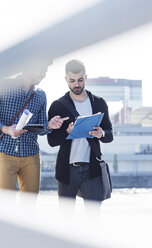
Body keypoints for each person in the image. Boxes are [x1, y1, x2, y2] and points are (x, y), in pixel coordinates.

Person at [0, 62, 68, 193]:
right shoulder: (2, 86)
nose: (44, 75)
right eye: (42, 69)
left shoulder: (41, 95)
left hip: (31, 155)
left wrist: (49, 125)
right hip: (5, 153)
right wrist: (6, 129)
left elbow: (42, 127)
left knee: (29, 206)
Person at [47, 59, 113, 206]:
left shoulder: (99, 103)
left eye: (80, 80)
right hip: (67, 170)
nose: (76, 84)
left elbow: (110, 135)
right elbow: (51, 141)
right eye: (72, 80)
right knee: (66, 216)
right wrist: (67, 132)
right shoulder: (58, 106)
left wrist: (101, 133)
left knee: (94, 217)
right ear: (66, 80)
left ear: (86, 78)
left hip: (92, 169)